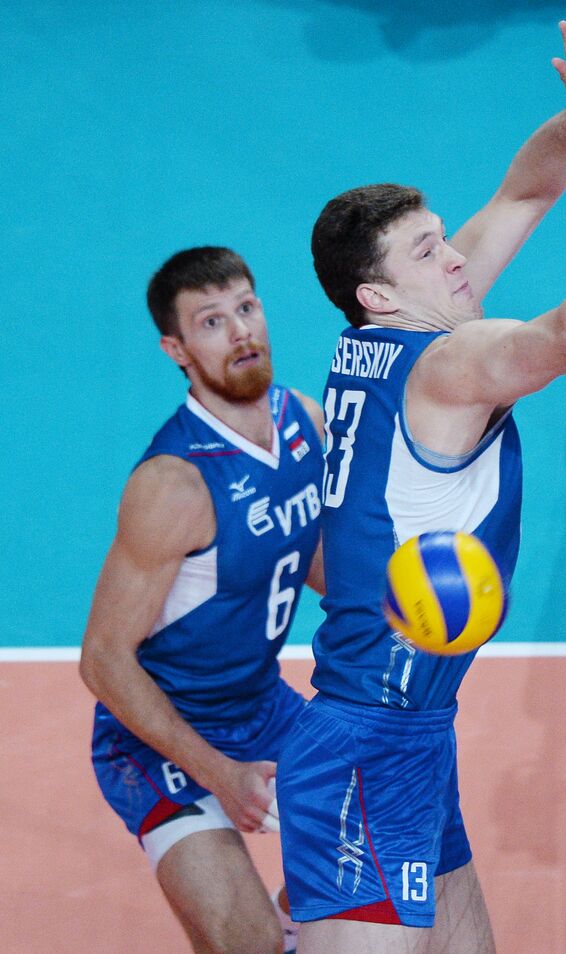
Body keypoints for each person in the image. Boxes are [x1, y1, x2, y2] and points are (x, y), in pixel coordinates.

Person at [275, 11, 566, 952]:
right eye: (432, 250)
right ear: (381, 293)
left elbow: (522, 196)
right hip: (370, 741)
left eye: (443, 238)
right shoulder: (448, 365)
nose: (457, 256)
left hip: (410, 732)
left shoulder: (381, 336)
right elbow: (565, 336)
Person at [80, 246, 326, 954]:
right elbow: (102, 661)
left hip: (261, 706)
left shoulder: (300, 421)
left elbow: (307, 552)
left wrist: (404, 605)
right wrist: (219, 773)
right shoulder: (172, 484)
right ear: (176, 349)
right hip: (157, 739)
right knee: (245, 943)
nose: (241, 331)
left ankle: (292, 917)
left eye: (247, 308)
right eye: (212, 322)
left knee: (397, 853)